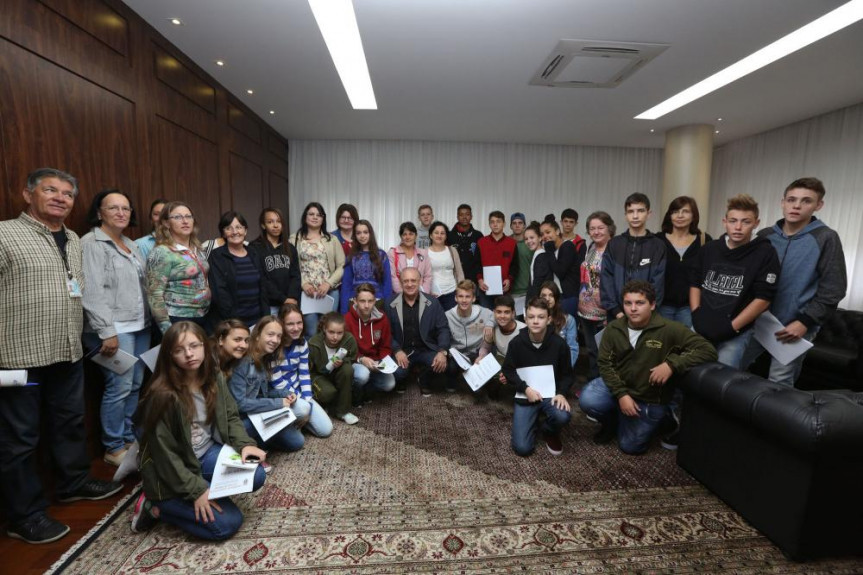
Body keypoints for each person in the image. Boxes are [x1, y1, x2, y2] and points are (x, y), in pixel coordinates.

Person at [0, 168, 122, 544]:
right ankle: (24, 516)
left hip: (67, 350)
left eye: (68, 194)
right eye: (50, 190)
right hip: (20, 355)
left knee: (69, 422)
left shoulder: (71, 238)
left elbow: (78, 291)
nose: (60, 198)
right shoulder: (5, 234)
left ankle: (73, 483)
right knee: (20, 438)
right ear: (27, 194)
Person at [130, 322, 267, 539]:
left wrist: (245, 444)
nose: (189, 354)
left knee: (256, 474)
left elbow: (230, 416)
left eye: (194, 345)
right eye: (179, 350)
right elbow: (165, 457)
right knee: (227, 525)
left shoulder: (213, 376)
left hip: (206, 454)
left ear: (205, 345)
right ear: (169, 355)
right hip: (172, 469)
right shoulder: (162, 396)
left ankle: (196, 493)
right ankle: (157, 506)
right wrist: (197, 491)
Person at [579, 280, 717, 454]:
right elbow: (605, 363)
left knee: (630, 447)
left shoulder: (670, 329)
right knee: (588, 399)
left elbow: (708, 350)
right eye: (628, 303)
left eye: (640, 303)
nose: (633, 308)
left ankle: (666, 417)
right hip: (622, 388)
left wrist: (671, 365)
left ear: (652, 305)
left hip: (649, 398)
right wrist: (621, 395)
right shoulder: (614, 328)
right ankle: (613, 420)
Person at [741, 177, 847, 386]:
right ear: (783, 202)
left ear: (819, 205)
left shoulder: (826, 237)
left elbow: (834, 288)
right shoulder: (765, 235)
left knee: (779, 384)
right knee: (731, 366)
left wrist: (805, 322)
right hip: (759, 320)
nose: (796, 206)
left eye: (806, 201)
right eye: (791, 199)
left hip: (796, 325)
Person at [81, 189, 151, 466]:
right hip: (113, 328)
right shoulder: (91, 244)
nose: (121, 213)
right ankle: (113, 447)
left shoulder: (130, 244)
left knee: (134, 385)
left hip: (139, 325)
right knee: (118, 386)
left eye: (126, 208)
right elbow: (92, 290)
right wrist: (106, 331)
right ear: (100, 213)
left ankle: (128, 439)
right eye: (114, 208)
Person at [690, 194, 781, 369]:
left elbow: (764, 298)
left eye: (746, 222)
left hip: (735, 333)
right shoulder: (710, 249)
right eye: (733, 221)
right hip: (701, 328)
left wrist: (732, 327)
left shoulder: (765, 253)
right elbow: (695, 283)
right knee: (690, 374)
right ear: (725, 222)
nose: (738, 227)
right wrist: (695, 314)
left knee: (723, 383)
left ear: (756, 223)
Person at [502, 297, 573, 457]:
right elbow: (508, 370)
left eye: (540, 317)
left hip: (551, 395)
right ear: (525, 319)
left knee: (563, 416)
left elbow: (567, 374)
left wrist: (561, 392)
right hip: (525, 395)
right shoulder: (516, 343)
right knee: (522, 448)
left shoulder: (559, 344)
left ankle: (548, 430)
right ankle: (531, 421)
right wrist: (525, 389)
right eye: (531, 317)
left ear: (548, 319)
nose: (535, 321)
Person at [229, 316, 304, 454]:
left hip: (258, 413)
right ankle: (252, 444)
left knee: (297, 442)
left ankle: (261, 441)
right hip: (240, 421)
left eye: (279, 336)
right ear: (257, 335)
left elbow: (264, 392)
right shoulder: (243, 362)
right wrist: (277, 403)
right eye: (270, 334)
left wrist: (285, 394)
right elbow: (239, 404)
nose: (275, 340)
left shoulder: (264, 358)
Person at [385, 267, 452, 396]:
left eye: (413, 280)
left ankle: (424, 379)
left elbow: (443, 329)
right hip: (402, 349)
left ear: (420, 281)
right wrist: (397, 350)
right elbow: (386, 332)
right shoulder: (390, 303)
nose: (409, 284)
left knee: (443, 364)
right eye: (406, 281)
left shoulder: (433, 302)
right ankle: (402, 379)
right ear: (400, 282)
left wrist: (442, 351)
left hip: (426, 348)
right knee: (397, 373)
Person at [146, 201, 211, 333]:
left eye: (188, 216)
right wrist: (167, 330)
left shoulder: (197, 249)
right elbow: (154, 294)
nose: (185, 221)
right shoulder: (162, 252)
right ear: (166, 223)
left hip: (202, 316)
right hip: (176, 319)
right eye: (177, 217)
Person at [600, 193, 666, 320]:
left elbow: (658, 284)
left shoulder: (658, 246)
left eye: (640, 211)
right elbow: (606, 278)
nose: (635, 216)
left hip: (647, 316)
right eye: (630, 211)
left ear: (649, 213)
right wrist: (616, 311)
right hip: (616, 315)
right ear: (625, 215)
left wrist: (645, 311)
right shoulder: (614, 244)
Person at [271, 304, 333, 437]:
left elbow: (304, 375)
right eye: (290, 324)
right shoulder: (274, 346)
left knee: (326, 430)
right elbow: (278, 384)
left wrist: (308, 400)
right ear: (281, 324)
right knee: (303, 409)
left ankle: (299, 419)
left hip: (298, 392)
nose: (296, 328)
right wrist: (304, 405)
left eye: (299, 323)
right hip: (282, 394)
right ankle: (293, 420)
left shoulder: (302, 343)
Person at [290, 202, 345, 337]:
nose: (315, 217)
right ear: (305, 217)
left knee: (329, 331)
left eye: (319, 215)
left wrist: (328, 283)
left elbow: (341, 266)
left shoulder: (332, 239)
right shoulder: (294, 239)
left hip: (329, 292)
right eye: (311, 214)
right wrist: (304, 284)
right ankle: (312, 358)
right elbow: (291, 267)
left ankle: (329, 358)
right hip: (307, 294)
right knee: (311, 331)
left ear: (323, 219)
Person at [208, 211, 269, 326]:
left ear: (245, 230)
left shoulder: (254, 253)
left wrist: (265, 318)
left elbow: (263, 287)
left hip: (258, 321)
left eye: (238, 227)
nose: (235, 232)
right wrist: (234, 323)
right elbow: (219, 292)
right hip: (231, 323)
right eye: (228, 228)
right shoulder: (216, 256)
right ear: (223, 233)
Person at [659, 197, 711, 329]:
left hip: (691, 307)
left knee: (687, 346)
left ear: (694, 215)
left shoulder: (704, 240)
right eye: (675, 211)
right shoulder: (657, 240)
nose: (680, 215)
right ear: (670, 216)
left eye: (686, 211)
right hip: (661, 306)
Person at [578, 211, 615, 380]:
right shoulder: (591, 247)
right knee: (592, 349)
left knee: (605, 352)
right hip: (585, 310)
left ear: (609, 229)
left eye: (600, 227)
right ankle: (593, 383)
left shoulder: (614, 250)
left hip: (605, 310)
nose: (596, 232)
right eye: (592, 228)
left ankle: (605, 386)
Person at [345, 284, 397, 403]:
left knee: (390, 384)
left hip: (375, 362)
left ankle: (368, 389)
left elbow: (385, 346)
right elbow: (346, 349)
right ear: (355, 301)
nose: (366, 305)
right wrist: (361, 359)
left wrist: (382, 362)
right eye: (362, 301)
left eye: (370, 301)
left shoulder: (382, 319)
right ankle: (355, 392)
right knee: (363, 375)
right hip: (356, 361)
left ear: (375, 301)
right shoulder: (347, 319)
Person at [308, 312, 360, 425]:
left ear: (344, 331)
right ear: (324, 329)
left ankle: (343, 412)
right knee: (328, 393)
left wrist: (343, 362)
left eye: (339, 333)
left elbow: (353, 358)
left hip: (337, 373)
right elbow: (309, 369)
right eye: (331, 332)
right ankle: (322, 403)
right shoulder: (314, 343)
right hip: (319, 375)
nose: (335, 337)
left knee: (348, 370)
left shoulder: (349, 339)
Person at [445, 280, 495, 393]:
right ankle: (452, 378)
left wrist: (490, 324)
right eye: (460, 296)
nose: (464, 300)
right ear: (455, 298)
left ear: (473, 299)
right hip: (457, 354)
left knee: (479, 392)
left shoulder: (484, 312)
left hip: (477, 353)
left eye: (468, 296)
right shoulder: (447, 315)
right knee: (450, 367)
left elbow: (497, 316)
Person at [249, 207, 301, 315]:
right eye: (270, 222)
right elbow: (261, 278)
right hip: (268, 304)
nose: (275, 225)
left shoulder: (290, 248)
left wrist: (291, 298)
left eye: (279, 221)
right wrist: (283, 299)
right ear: (263, 225)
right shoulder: (255, 248)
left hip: (289, 304)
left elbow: (295, 276)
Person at [340, 219, 392, 314]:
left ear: (370, 234)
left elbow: (387, 283)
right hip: (355, 301)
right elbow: (346, 286)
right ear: (355, 236)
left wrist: (388, 308)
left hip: (377, 300)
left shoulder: (381, 255)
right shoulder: (351, 257)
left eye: (365, 232)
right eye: (358, 233)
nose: (362, 236)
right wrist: (344, 311)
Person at [477, 211, 519, 308]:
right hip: (485, 289)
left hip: (504, 290)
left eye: (498, 221)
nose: (495, 224)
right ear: (489, 224)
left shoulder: (512, 243)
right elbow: (476, 264)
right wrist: (479, 280)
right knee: (487, 319)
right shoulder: (481, 242)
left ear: (504, 224)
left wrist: (509, 279)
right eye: (492, 222)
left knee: (504, 318)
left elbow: (515, 265)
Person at [540, 218, 582, 316]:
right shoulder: (553, 251)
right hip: (556, 297)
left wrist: (549, 249)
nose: (545, 236)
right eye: (542, 234)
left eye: (548, 232)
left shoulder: (567, 246)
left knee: (567, 328)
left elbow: (560, 272)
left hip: (568, 297)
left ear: (558, 231)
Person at [539, 281, 579, 367]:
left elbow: (573, 349)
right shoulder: (534, 320)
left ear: (556, 298)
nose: (547, 299)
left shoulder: (568, 320)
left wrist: (565, 370)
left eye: (551, 295)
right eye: (544, 295)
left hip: (562, 366)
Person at [426, 221, 465, 311]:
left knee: (451, 322)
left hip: (452, 292)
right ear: (431, 235)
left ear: (446, 236)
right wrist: (427, 292)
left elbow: (459, 272)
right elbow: (422, 276)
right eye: (436, 233)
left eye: (442, 233)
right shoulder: (425, 253)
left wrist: (461, 290)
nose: (439, 236)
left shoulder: (452, 250)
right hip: (433, 294)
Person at [389, 221, 432, 294]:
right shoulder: (392, 253)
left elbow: (428, 276)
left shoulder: (423, 253)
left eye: (411, 234)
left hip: (421, 295)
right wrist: (403, 294)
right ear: (401, 236)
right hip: (400, 295)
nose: (408, 237)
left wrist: (423, 293)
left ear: (416, 236)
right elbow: (392, 277)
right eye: (404, 234)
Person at [447, 203, 484, 288]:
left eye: (467, 214)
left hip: (474, 280)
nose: (464, 217)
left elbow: (481, 259)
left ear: (471, 216)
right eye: (461, 215)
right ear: (457, 217)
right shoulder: (449, 236)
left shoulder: (478, 235)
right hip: (453, 280)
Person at [524, 221, 555, 300]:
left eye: (532, 237)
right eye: (526, 239)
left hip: (539, 303)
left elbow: (538, 285)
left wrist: (532, 303)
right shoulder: (537, 255)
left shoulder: (542, 257)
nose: (528, 241)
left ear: (540, 238)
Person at [135, 198, 167, 264]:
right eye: (156, 214)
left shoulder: (182, 241)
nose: (160, 218)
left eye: (165, 214)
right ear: (151, 219)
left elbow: (189, 263)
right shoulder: (140, 244)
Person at [509, 212, 532, 300]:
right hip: (508, 292)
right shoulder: (506, 242)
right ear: (511, 226)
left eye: (520, 223)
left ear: (524, 226)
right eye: (514, 223)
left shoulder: (531, 243)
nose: (517, 225)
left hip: (526, 291)